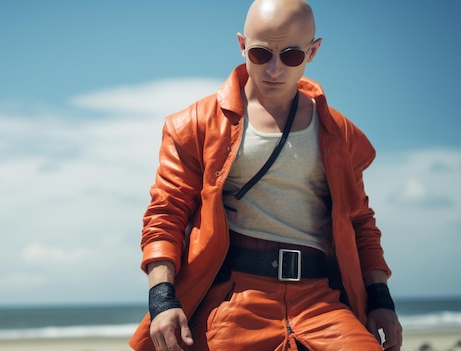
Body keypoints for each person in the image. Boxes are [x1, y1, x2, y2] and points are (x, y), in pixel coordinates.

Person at [129, 0, 403, 350]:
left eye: (290, 55)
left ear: (313, 51)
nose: (274, 69)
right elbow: (166, 213)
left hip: (321, 300)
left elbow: (360, 222)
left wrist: (381, 300)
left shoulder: (340, 133)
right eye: (260, 53)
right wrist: (163, 299)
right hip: (234, 297)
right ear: (242, 45)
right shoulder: (194, 125)